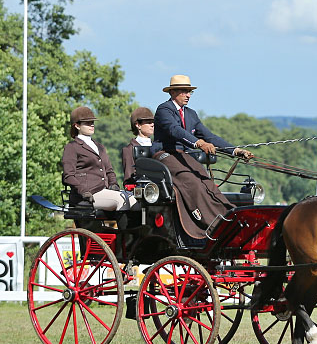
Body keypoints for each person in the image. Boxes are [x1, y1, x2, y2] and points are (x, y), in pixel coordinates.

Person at [153, 74, 252, 238]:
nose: (188, 95)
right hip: (164, 155)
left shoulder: (191, 114)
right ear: (173, 92)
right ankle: (211, 223)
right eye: (185, 92)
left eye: (190, 92)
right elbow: (175, 131)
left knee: (206, 181)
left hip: (182, 155)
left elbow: (210, 137)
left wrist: (235, 151)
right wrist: (198, 143)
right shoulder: (164, 110)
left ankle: (229, 216)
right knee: (191, 181)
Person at [61, 106, 136, 211]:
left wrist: (113, 184)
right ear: (77, 125)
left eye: (92, 122)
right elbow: (68, 176)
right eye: (87, 123)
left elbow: (109, 170)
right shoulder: (72, 147)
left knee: (134, 198)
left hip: (104, 191)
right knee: (122, 200)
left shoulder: (99, 146)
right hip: (87, 194)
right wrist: (83, 191)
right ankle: (124, 227)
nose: (91, 125)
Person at [120, 106, 162, 186]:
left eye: (153, 122)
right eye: (149, 122)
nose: (152, 125)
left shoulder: (158, 147)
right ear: (138, 125)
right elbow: (128, 179)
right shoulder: (129, 149)